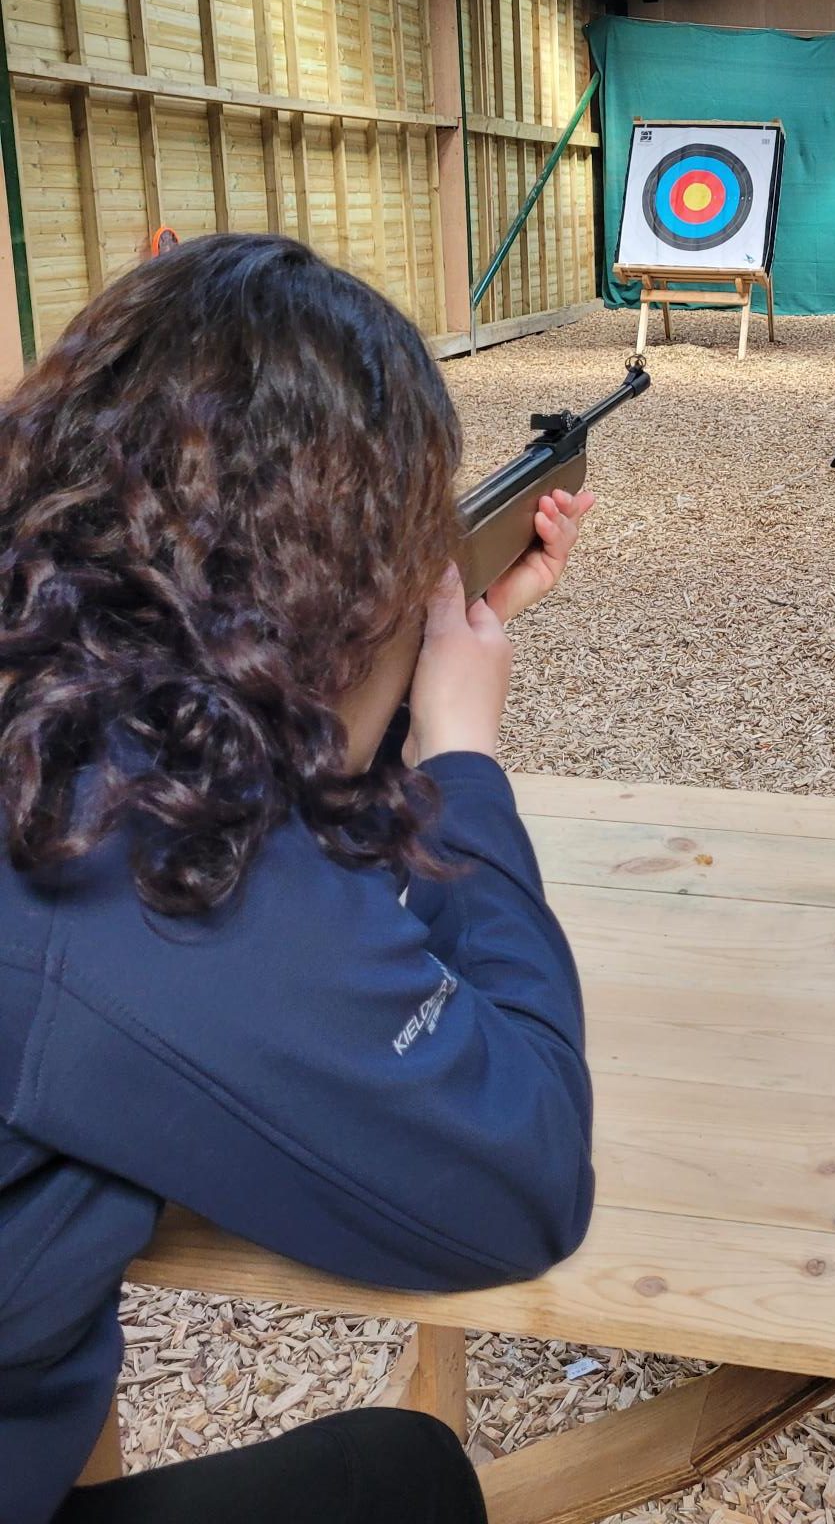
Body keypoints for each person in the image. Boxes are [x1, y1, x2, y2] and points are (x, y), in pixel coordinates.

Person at [0, 234, 599, 1523]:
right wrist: (458, 753)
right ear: (334, 598)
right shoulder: (127, 853)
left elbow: (256, 783)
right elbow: (520, 1166)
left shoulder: (52, 697)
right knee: (409, 1490)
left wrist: (372, 700)